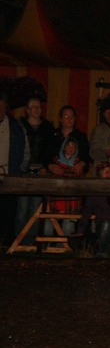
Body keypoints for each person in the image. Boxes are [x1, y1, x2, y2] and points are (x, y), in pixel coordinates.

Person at [15, 98, 55, 244]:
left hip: (40, 171)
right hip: (23, 171)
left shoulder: (47, 127)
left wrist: (45, 166)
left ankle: (31, 243)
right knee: (21, 209)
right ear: (28, 110)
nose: (37, 109)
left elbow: (50, 150)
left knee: (34, 210)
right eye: (34, 107)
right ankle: (19, 242)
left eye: (39, 107)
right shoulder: (20, 126)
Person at [0, 93, 30, 245]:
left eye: (2, 105)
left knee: (9, 213)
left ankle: (7, 247)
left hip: (9, 175)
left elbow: (25, 152)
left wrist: (18, 171)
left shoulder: (16, 126)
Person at [44, 137, 86, 236]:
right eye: (68, 145)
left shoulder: (79, 164)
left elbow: (81, 182)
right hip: (56, 198)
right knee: (49, 220)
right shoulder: (55, 163)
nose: (71, 148)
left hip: (72, 199)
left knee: (68, 223)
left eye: (74, 146)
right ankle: (46, 246)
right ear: (63, 147)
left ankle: (65, 247)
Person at [76, 161, 110, 255]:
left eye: (109, 171)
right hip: (102, 223)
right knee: (106, 224)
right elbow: (87, 210)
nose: (107, 173)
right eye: (104, 171)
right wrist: (80, 229)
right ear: (99, 174)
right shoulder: (95, 191)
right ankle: (101, 253)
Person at [50, 105, 91, 169]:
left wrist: (81, 164)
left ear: (75, 118)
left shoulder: (81, 136)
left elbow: (86, 156)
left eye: (71, 116)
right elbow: (46, 155)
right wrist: (51, 166)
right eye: (66, 116)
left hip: (75, 172)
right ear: (60, 119)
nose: (69, 119)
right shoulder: (52, 135)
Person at [90, 98, 110, 163]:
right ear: (103, 114)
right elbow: (93, 152)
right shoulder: (98, 130)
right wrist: (107, 153)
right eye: (106, 111)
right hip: (103, 169)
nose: (109, 113)